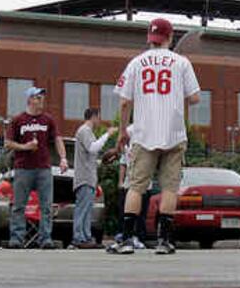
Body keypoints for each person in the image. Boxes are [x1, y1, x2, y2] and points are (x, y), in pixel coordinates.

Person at [107, 17, 201, 255]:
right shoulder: (181, 62)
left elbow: (125, 100)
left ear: (149, 38)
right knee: (169, 187)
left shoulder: (136, 63)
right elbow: (195, 98)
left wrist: (121, 133)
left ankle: (127, 238)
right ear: (170, 38)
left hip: (143, 132)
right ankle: (164, 240)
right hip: (173, 132)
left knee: (136, 186)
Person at [4, 87, 68, 249]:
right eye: (38, 98)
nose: (41, 101)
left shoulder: (48, 120)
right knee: (19, 205)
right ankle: (17, 239)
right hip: (23, 168)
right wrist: (25, 147)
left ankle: (45, 238)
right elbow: (8, 143)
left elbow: (58, 139)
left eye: (42, 98)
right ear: (29, 100)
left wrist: (63, 158)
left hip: (44, 169)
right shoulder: (18, 120)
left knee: (46, 206)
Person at [72, 108, 115, 249]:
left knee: (86, 209)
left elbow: (89, 155)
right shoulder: (84, 131)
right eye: (99, 117)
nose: (99, 120)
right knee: (83, 209)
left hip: (88, 177)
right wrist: (107, 135)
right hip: (85, 178)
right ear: (94, 116)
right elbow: (93, 148)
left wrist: (102, 161)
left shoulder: (86, 132)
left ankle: (85, 237)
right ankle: (79, 237)